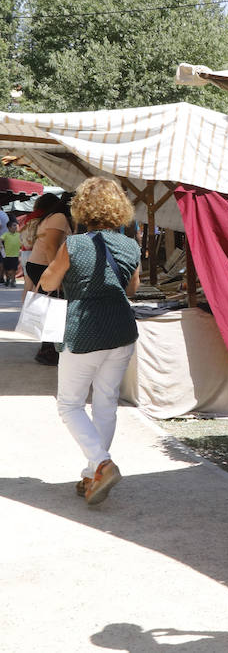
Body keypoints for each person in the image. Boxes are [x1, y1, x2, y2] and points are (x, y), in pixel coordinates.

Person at [37, 178, 140, 506]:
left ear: (83, 207)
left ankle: (103, 463)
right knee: (107, 400)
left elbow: (49, 280)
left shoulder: (76, 243)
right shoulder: (131, 246)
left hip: (85, 331)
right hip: (121, 331)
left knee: (69, 404)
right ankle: (93, 471)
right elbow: (132, 290)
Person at [27, 192, 74, 365]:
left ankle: (48, 349)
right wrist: (56, 273)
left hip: (41, 264)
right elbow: (50, 247)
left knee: (52, 308)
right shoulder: (59, 217)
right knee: (54, 309)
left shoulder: (53, 216)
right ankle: (48, 351)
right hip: (44, 265)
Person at [2, 220, 21, 286]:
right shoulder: (6, 234)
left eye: (16, 225)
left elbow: (22, 242)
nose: (16, 227)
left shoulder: (18, 234)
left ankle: (13, 281)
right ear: (9, 228)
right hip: (7, 255)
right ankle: (8, 279)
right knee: (7, 269)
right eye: (14, 225)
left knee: (14, 269)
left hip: (15, 255)